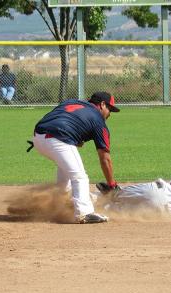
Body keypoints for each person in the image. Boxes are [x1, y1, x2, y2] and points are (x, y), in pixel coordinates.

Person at [30, 92, 120, 224]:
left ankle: (61, 206)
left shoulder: (72, 102)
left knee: (66, 175)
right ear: (101, 105)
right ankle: (84, 213)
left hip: (37, 137)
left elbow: (61, 117)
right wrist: (112, 184)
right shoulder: (99, 121)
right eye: (110, 109)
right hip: (58, 139)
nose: (110, 114)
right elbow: (105, 158)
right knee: (80, 177)